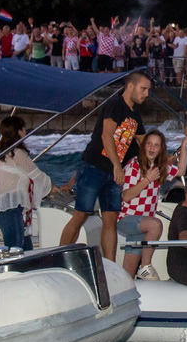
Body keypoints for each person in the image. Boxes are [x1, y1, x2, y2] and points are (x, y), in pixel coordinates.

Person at [60, 71, 150, 260]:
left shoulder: (135, 115)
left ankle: (110, 264)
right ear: (130, 86)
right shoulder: (114, 105)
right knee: (81, 214)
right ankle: (61, 255)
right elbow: (106, 135)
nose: (146, 94)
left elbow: (145, 143)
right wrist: (117, 166)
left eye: (148, 90)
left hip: (113, 175)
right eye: (143, 89)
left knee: (110, 219)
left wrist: (163, 159)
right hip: (95, 167)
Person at [119, 128, 187, 280]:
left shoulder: (159, 167)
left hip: (142, 221)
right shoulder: (134, 165)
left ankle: (127, 287)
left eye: (156, 145)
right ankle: (146, 267)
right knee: (156, 225)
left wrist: (184, 146)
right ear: (144, 145)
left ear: (161, 149)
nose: (152, 148)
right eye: (149, 144)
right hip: (127, 218)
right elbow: (125, 196)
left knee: (128, 272)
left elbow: (181, 171)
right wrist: (147, 179)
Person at [0, 116, 56, 251]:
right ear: (19, 131)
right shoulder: (17, 153)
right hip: (11, 208)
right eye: (24, 128)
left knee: (26, 249)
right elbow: (37, 175)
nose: (25, 131)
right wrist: (55, 188)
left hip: (5, 208)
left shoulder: (3, 154)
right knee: (15, 251)